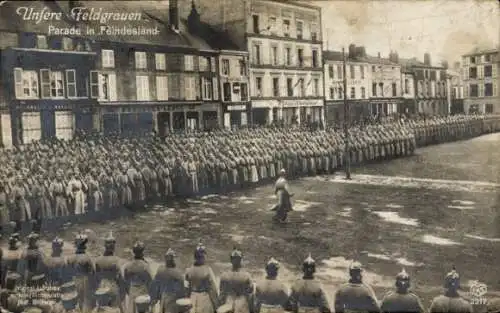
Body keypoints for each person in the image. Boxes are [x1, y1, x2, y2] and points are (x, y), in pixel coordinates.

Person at [185, 242, 218, 313]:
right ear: (203, 256)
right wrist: (216, 306)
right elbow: (213, 289)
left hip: (192, 299)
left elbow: (186, 289)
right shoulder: (208, 270)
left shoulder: (188, 270)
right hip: (205, 301)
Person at [94, 232, 124, 310]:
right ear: (113, 247)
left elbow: (96, 276)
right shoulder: (117, 260)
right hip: (113, 286)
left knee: (102, 309)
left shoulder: (98, 260)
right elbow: (120, 278)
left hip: (102, 286)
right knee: (114, 308)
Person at [66, 233, 95, 313]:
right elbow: (92, 273)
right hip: (85, 282)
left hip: (73, 281)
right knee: (85, 302)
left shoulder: (70, 258)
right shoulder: (87, 258)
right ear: (84, 245)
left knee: (75, 301)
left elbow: (67, 272)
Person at [218, 248, 254, 313]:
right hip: (242, 305)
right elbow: (250, 295)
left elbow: (222, 294)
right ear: (240, 260)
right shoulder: (246, 276)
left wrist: (219, 305)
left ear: (231, 260)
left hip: (228, 304)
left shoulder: (224, 275)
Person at [150, 249, 185, 313]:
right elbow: (181, 291)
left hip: (163, 298)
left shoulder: (160, 271)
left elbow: (155, 286)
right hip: (172, 300)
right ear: (173, 260)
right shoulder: (177, 273)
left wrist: (154, 299)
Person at [122, 242, 152, 313]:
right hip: (143, 292)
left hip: (132, 291)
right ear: (142, 252)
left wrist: (129, 291)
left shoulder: (128, 266)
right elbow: (150, 281)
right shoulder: (145, 266)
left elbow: (126, 281)